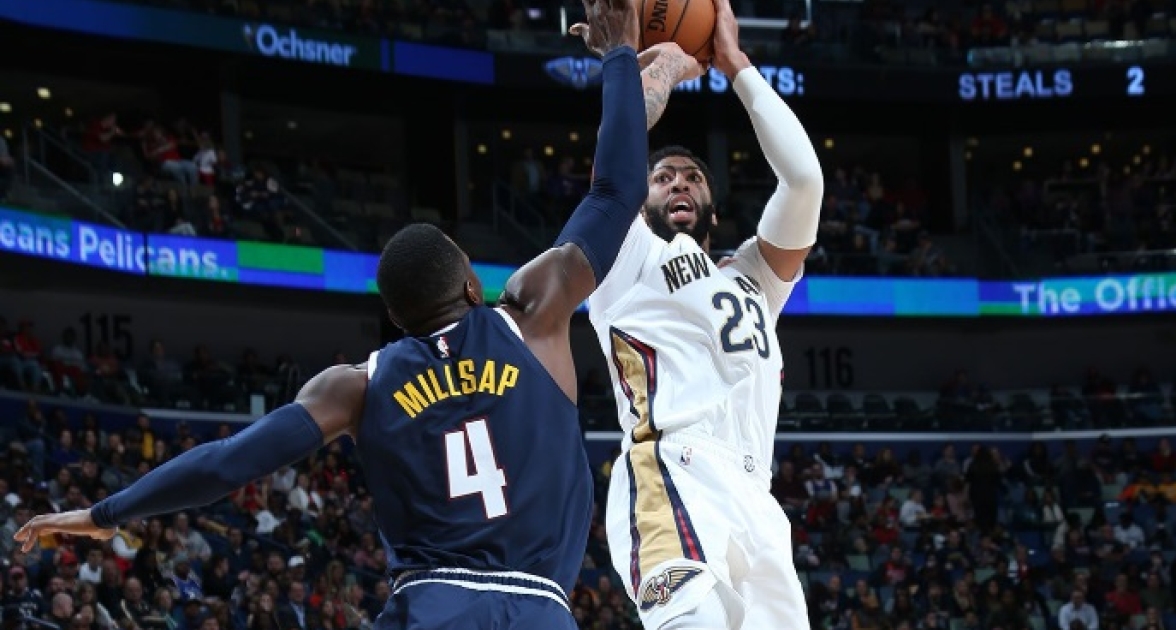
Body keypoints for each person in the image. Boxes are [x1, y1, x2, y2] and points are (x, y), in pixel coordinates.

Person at [12, 2, 702, 628]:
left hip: (430, 606)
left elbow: (227, 463)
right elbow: (616, 191)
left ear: (397, 319)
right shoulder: (530, 314)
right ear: (471, 284)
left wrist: (105, 512)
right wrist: (618, 54)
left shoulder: (358, 386)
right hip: (540, 610)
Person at [571, 0, 823, 626]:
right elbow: (614, 172)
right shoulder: (629, 257)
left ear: (712, 204)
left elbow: (804, 183)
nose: (679, 182)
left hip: (756, 500)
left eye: (692, 177)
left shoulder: (753, 278)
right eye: (662, 177)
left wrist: (736, 65)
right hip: (672, 470)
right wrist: (648, 67)